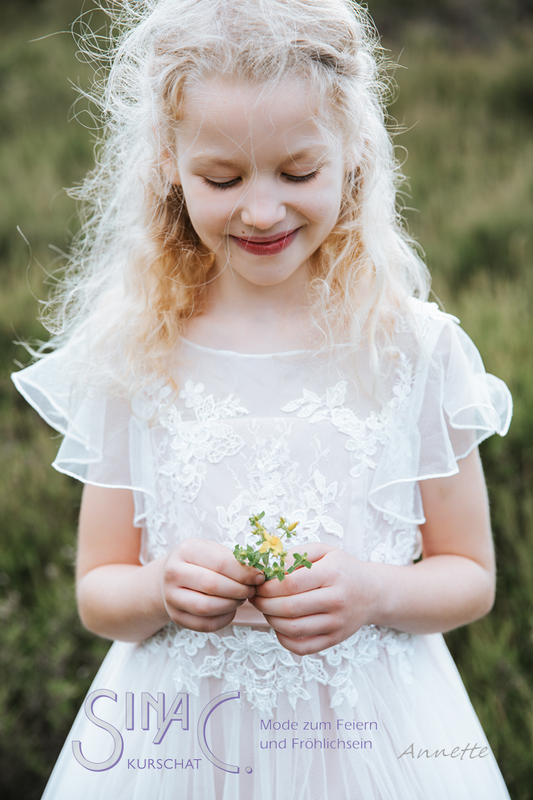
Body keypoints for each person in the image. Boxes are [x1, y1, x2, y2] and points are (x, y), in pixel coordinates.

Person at [12, 1, 512, 798]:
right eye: (221, 177)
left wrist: (376, 590)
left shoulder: (412, 347)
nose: (261, 209)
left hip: (373, 732)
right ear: (169, 165)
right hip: (175, 739)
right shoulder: (140, 346)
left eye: (297, 172)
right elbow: (100, 592)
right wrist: (161, 587)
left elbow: (469, 574)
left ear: (352, 154)